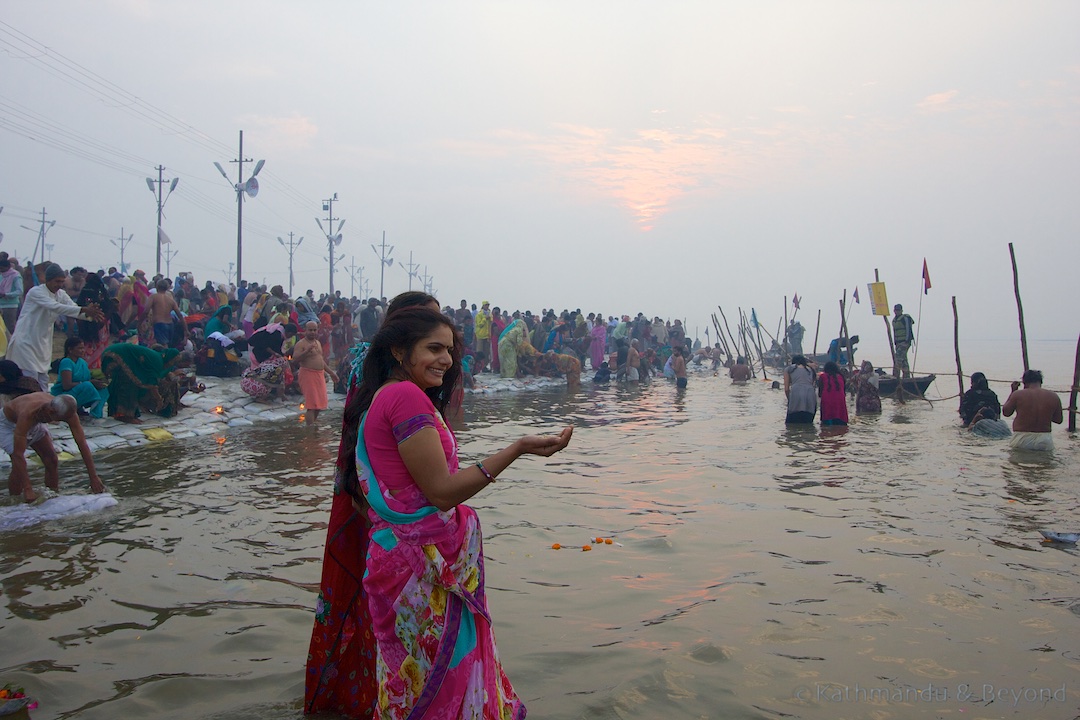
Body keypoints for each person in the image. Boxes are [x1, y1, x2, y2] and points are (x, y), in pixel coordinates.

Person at [304, 306, 572, 718]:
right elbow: (442, 492)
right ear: (398, 350)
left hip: (398, 561)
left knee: (410, 685)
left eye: (448, 349)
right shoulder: (404, 397)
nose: (446, 360)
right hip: (416, 569)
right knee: (439, 685)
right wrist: (516, 449)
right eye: (433, 348)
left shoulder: (386, 396)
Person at [5, 264, 105, 390]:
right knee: (30, 379)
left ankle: (42, 406)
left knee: (43, 379)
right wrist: (83, 310)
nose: (60, 284)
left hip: (43, 343)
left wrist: (91, 315)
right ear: (48, 280)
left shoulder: (61, 294)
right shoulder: (36, 292)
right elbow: (55, 307)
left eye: (62, 281)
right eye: (57, 281)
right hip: (26, 340)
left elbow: (72, 307)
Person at [4, 392, 106, 503]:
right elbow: (18, 454)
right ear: (50, 412)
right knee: (18, 467)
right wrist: (28, 489)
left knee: (52, 460)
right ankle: (15, 501)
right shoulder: (28, 413)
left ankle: (52, 496)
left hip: (35, 424)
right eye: (57, 419)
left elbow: (82, 443)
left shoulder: (68, 413)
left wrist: (93, 477)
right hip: (7, 425)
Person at [101, 342, 191, 423]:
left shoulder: (158, 359)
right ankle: (125, 415)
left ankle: (119, 414)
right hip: (114, 356)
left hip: (111, 354)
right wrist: (159, 400)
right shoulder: (158, 361)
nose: (172, 364)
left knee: (128, 382)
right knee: (130, 384)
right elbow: (152, 385)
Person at [1002, 369, 1062, 451]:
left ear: (1024, 382)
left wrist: (1013, 391)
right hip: (1044, 438)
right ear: (1041, 382)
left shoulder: (1018, 394)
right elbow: (1058, 420)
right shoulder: (1053, 396)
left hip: (1022, 437)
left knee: (1017, 463)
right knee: (1045, 462)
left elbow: (1006, 412)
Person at [50, 337, 109, 419]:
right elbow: (66, 385)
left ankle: (95, 414)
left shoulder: (83, 363)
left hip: (79, 391)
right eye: (80, 348)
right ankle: (74, 408)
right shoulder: (66, 362)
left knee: (103, 389)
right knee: (87, 386)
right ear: (70, 349)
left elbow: (86, 379)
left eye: (83, 348)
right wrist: (87, 383)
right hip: (64, 395)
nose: (83, 350)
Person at [293, 321, 338, 425]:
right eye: (310, 330)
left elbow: (320, 360)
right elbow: (295, 359)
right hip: (307, 374)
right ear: (305, 330)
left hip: (319, 374)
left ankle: (312, 426)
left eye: (314, 330)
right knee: (311, 405)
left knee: (319, 405)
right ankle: (309, 430)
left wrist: (331, 373)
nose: (312, 332)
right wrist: (307, 351)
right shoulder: (301, 344)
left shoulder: (317, 343)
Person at [784, 355, 817, 424]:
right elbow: (813, 384)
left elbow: (786, 389)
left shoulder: (789, 369)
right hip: (810, 394)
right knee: (808, 423)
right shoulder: (810, 370)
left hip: (796, 393)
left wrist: (789, 400)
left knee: (791, 424)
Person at [817, 361, 849, 426]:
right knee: (840, 422)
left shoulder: (823, 376)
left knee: (827, 423)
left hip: (827, 400)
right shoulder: (841, 376)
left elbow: (820, 392)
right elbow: (844, 391)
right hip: (840, 400)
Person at [0, 257, 24, 334]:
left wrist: (6, 295)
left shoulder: (15, 276)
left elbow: (20, 291)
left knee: (10, 328)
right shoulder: (1, 275)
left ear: (7, 267)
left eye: (2, 268)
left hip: (10, 306)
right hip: (1, 305)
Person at [891, 304, 914, 378]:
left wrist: (907, 341)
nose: (897, 312)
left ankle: (895, 376)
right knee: (903, 359)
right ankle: (906, 376)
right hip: (898, 343)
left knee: (897, 358)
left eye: (898, 310)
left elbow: (908, 329)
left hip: (904, 342)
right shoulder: (894, 320)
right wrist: (895, 342)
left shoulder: (905, 318)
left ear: (901, 310)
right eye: (896, 310)